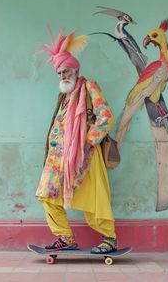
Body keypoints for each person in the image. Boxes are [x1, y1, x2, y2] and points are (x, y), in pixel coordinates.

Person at [35, 27, 117, 254]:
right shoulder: (63, 96)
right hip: (57, 159)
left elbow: (106, 117)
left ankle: (109, 239)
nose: (62, 75)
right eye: (59, 72)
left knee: (93, 197)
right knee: (46, 194)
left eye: (66, 71)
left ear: (75, 69)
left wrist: (87, 142)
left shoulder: (88, 87)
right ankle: (65, 238)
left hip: (84, 156)